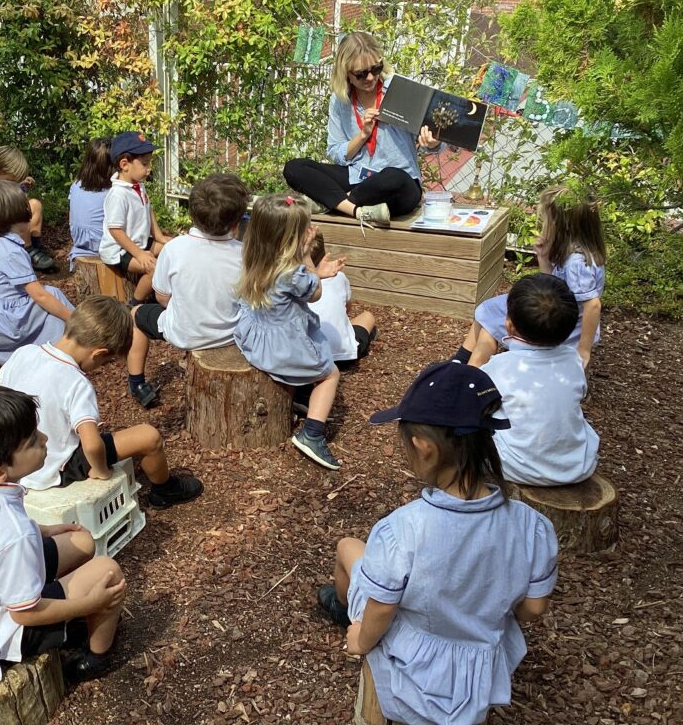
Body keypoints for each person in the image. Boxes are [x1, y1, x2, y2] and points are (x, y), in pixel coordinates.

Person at [318, 361, 558, 725]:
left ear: (423, 446)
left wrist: (360, 642)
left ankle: (343, 613)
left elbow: (382, 610)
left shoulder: (403, 528)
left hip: (413, 668)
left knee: (347, 547)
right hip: (481, 667)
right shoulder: (533, 526)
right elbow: (534, 609)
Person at [0, 386, 125, 685]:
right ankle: (95, 659)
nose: (44, 439)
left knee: (81, 541)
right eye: (32, 441)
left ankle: (66, 613)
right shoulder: (10, 535)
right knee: (109, 572)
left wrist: (43, 531)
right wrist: (90, 604)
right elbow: (25, 615)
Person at [0, 295, 204, 507]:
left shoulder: (24, 353)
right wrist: (100, 470)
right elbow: (92, 445)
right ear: (98, 354)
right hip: (55, 467)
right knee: (149, 437)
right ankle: (164, 490)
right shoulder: (76, 382)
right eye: (106, 361)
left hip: (13, 460)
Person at [234, 194, 347, 470]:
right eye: (305, 231)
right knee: (331, 374)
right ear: (292, 239)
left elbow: (292, 285)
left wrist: (314, 272)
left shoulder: (254, 256)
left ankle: (296, 396)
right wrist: (307, 256)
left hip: (253, 338)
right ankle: (312, 433)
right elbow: (315, 294)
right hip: (282, 347)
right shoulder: (295, 270)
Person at [282, 31, 442, 222]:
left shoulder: (399, 89)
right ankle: (356, 210)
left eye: (376, 69)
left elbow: (436, 140)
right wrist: (363, 135)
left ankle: (334, 203)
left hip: (399, 184)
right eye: (361, 74)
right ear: (346, 74)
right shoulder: (340, 100)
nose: (370, 78)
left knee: (393, 177)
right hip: (357, 175)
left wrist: (432, 143)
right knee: (295, 168)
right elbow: (335, 152)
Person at [126, 172, 250, 408]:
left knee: (135, 315)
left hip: (185, 333)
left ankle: (137, 383)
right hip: (232, 334)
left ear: (192, 213)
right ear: (235, 224)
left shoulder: (175, 248)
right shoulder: (244, 253)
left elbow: (162, 295)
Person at [462, 185, 606, 367]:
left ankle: (469, 370)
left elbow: (593, 306)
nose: (543, 224)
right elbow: (552, 288)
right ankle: (464, 362)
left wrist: (584, 350)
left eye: (546, 220)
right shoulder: (577, 252)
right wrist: (543, 257)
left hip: (560, 326)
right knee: (489, 308)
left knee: (490, 322)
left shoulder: (576, 264)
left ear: (561, 225)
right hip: (555, 313)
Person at [480, 273, 599, 486]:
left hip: (514, 467)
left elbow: (476, 400)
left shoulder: (500, 366)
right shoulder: (574, 360)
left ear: (509, 324)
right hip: (578, 467)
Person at [0, 181, 74, 365]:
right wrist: (72, 317)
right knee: (52, 295)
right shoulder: (12, 251)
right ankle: (78, 337)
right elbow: (39, 296)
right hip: (2, 325)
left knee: (49, 299)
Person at [97, 131, 170, 306]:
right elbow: (115, 230)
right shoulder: (118, 194)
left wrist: (160, 237)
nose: (149, 168)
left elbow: (148, 209)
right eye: (145, 163)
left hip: (140, 241)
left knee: (172, 247)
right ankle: (135, 303)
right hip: (120, 250)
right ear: (124, 164)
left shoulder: (138, 186)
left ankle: (161, 290)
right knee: (154, 268)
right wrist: (139, 254)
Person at [0, 145, 57, 272]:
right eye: (11, 180)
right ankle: (27, 249)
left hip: (5, 229)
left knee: (35, 204)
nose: (13, 185)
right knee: (22, 209)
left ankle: (33, 248)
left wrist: (22, 187)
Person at [308, 231, 377, 364]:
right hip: (343, 356)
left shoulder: (290, 284)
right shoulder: (338, 277)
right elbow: (347, 307)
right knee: (367, 316)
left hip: (306, 357)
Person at [68, 138, 112, 269]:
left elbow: (71, 215)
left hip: (79, 239)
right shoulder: (113, 191)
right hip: (102, 242)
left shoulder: (76, 185)